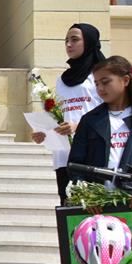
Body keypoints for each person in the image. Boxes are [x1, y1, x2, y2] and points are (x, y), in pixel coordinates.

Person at [68, 55, 132, 211]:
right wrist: (86, 195)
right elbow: (75, 166)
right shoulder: (89, 120)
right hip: (98, 208)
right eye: (96, 83)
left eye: (106, 82)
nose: (100, 88)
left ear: (126, 81)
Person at [32, 23, 104, 205]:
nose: (69, 45)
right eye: (66, 41)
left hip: (92, 151)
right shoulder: (62, 80)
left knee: (93, 207)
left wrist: (78, 127)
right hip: (65, 154)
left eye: (75, 40)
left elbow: (108, 113)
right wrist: (45, 134)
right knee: (68, 207)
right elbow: (59, 116)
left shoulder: (100, 75)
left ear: (89, 42)